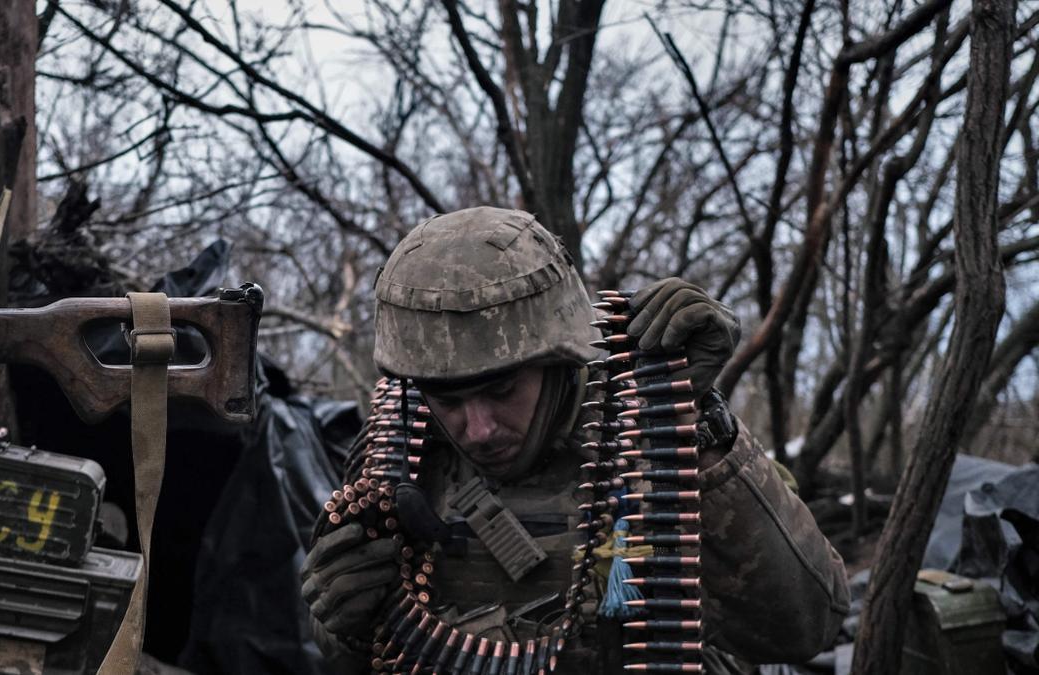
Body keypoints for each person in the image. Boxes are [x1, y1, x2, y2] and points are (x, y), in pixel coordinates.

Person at [301, 207, 849, 674]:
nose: (479, 429)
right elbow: (369, 648)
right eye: (447, 400)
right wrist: (344, 622)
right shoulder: (400, 452)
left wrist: (694, 419)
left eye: (502, 389)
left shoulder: (649, 431)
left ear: (559, 358)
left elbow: (806, 627)